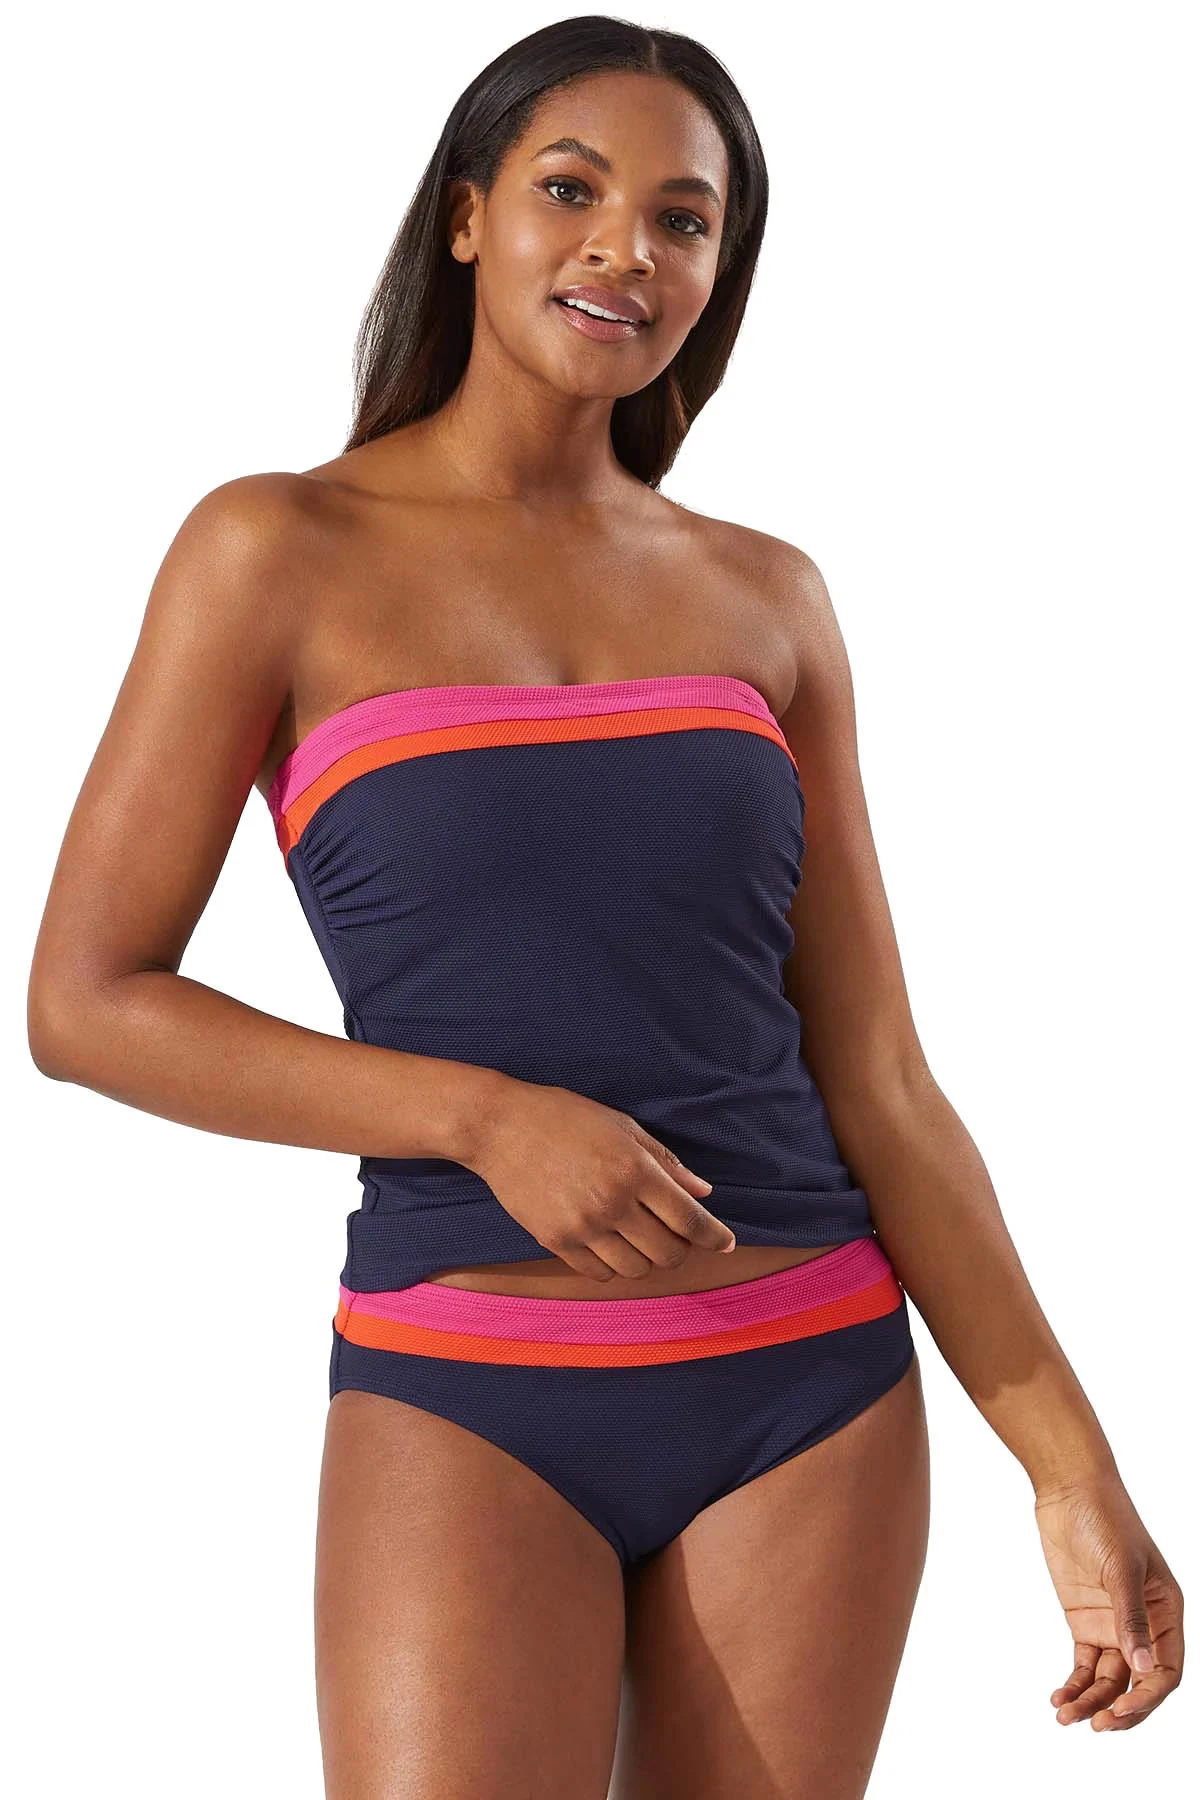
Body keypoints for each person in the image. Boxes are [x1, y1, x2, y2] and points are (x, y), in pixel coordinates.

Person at [26, 16, 1183, 1798]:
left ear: (719, 270)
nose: (625, 249)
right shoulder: (273, 551)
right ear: (468, 217)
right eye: (571, 191)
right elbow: (87, 1000)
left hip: (809, 1380)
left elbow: (879, 1076)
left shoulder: (766, 596)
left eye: (682, 219)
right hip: (465, 1376)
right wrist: (482, 1117)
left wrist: (1070, 1468)